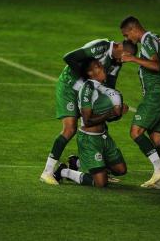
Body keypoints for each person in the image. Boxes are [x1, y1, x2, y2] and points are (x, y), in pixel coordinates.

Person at [40, 39, 137, 185]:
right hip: (69, 86)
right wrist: (88, 79)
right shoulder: (101, 47)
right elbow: (69, 57)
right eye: (125, 56)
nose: (125, 60)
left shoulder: (116, 64)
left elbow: (109, 88)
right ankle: (47, 172)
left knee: (98, 124)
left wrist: (116, 108)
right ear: (121, 48)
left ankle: (82, 165)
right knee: (70, 129)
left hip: (87, 90)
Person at [119, 16, 160, 189]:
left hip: (155, 95)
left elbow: (156, 66)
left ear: (133, 29)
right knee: (156, 138)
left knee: (136, 132)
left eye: (126, 35)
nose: (127, 39)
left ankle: (159, 168)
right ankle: (159, 180)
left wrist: (133, 59)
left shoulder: (147, 40)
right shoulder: (158, 39)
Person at [53, 58, 129, 188]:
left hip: (104, 137)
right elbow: (87, 121)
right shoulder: (87, 88)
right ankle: (64, 171)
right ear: (90, 73)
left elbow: (110, 118)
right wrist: (110, 113)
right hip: (89, 140)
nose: (102, 67)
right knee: (101, 183)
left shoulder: (104, 87)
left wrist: (118, 113)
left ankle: (77, 162)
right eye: (97, 66)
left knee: (121, 170)